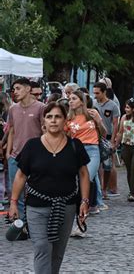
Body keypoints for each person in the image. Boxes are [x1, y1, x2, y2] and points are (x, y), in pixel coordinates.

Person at [9, 102, 90, 274]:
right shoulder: (32, 146)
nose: (53, 121)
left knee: (57, 252)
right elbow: (21, 175)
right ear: (43, 121)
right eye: (49, 117)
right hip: (36, 207)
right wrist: (14, 202)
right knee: (42, 247)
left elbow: (83, 174)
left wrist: (84, 200)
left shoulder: (75, 146)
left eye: (58, 117)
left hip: (66, 206)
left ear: (65, 120)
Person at [66, 90, 107, 237]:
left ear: (82, 101)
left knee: (87, 179)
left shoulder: (91, 114)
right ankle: (76, 221)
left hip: (92, 150)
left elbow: (104, 132)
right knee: (76, 185)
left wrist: (99, 121)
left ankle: (83, 215)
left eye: (74, 98)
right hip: (76, 151)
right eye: (69, 99)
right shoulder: (68, 119)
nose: (70, 101)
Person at [6, 78, 45, 220]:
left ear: (28, 89)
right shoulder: (13, 109)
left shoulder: (41, 107)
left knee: (35, 191)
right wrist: (8, 152)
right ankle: (21, 223)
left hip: (35, 157)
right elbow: (11, 130)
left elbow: (45, 131)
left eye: (18, 88)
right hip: (15, 156)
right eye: (14, 89)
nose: (15, 92)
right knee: (16, 192)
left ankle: (34, 222)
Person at [93, 82, 120, 199]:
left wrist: (113, 141)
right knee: (96, 165)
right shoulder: (93, 104)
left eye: (97, 93)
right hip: (95, 137)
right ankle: (98, 189)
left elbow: (115, 124)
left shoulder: (113, 106)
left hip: (108, 138)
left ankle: (105, 189)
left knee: (107, 165)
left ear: (104, 92)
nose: (95, 95)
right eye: (94, 93)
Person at [115, 98, 134, 202]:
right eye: (125, 107)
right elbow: (120, 132)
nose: (125, 109)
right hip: (126, 146)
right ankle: (131, 190)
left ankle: (132, 193)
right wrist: (116, 144)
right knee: (129, 170)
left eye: (128, 107)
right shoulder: (124, 118)